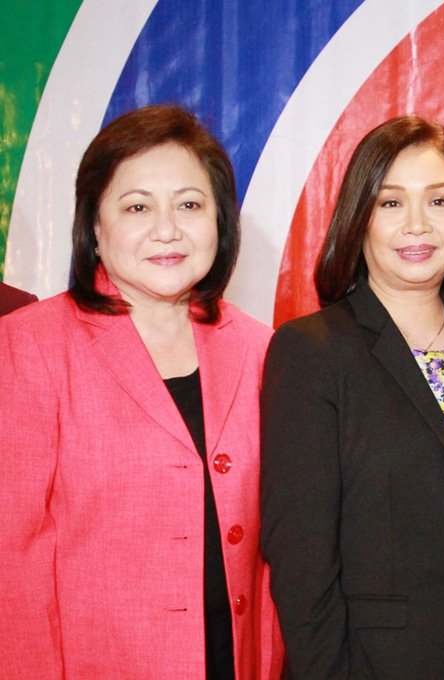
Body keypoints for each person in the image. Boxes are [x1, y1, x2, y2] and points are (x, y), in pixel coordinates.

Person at [0, 105, 283, 679]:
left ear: (221, 222)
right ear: (95, 229)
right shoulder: (29, 346)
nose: (167, 230)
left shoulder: (262, 349)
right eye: (136, 207)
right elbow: (12, 561)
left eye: (189, 204)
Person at [260, 115, 444, 679]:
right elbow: (301, 560)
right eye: (390, 203)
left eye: (438, 201)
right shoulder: (311, 351)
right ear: (360, 220)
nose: (417, 225)